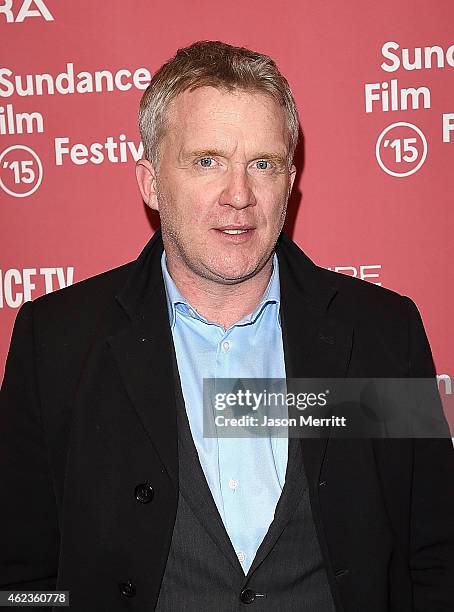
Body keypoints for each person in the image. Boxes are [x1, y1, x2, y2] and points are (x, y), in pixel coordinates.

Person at [0, 40, 453, 611]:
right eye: (207, 161)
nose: (239, 195)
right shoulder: (57, 342)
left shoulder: (384, 335)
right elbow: (20, 572)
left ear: (289, 181)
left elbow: (435, 549)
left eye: (262, 164)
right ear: (150, 182)